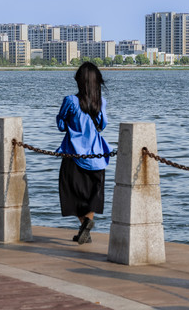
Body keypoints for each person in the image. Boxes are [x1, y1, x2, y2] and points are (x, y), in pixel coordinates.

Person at [56, 62, 112, 245]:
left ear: (80, 81)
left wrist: (70, 124)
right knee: (91, 196)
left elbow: (61, 125)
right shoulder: (101, 102)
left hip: (74, 155)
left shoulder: (71, 101)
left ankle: (86, 223)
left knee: (70, 194)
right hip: (97, 157)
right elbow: (102, 126)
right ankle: (85, 230)